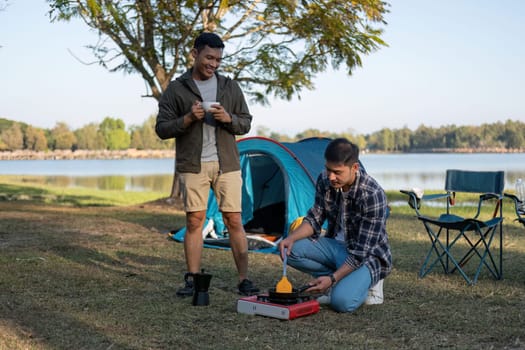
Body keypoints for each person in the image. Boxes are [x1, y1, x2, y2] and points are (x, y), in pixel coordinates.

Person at [155, 32, 259, 297]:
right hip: (193, 165)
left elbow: (245, 122)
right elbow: (162, 129)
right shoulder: (177, 89)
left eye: (218, 59)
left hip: (227, 164)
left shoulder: (229, 87)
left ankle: (244, 279)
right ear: (195, 54)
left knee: (234, 220)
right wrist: (188, 118)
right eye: (209, 57)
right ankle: (193, 278)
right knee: (194, 222)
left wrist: (228, 118)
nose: (213, 64)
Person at [279, 138, 392, 312]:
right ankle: (343, 281)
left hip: (366, 257)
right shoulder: (325, 179)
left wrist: (332, 279)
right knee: (290, 251)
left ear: (354, 168)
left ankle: (368, 283)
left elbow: (360, 253)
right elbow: (315, 218)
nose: (331, 177)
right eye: (328, 169)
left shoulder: (372, 194)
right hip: (336, 246)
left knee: (342, 303)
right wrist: (291, 237)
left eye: (337, 172)